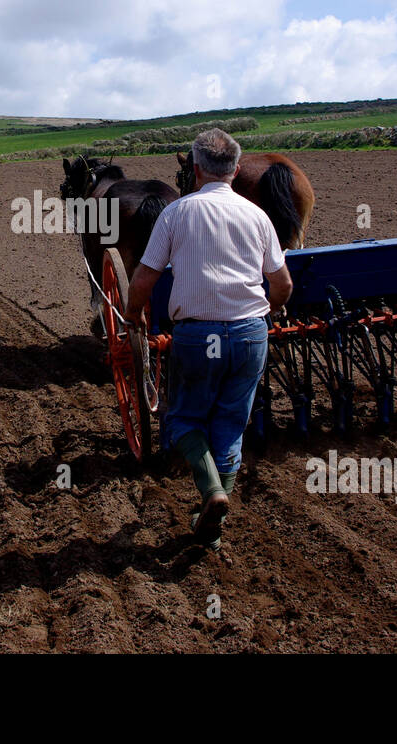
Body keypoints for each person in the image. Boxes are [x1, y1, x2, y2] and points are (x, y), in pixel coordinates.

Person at [123, 128, 292, 549]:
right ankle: (212, 518)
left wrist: (132, 318)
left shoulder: (176, 213)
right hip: (251, 334)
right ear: (235, 169)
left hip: (198, 337)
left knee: (182, 419)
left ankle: (212, 492)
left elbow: (144, 278)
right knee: (231, 423)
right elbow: (283, 283)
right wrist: (267, 312)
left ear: (196, 169)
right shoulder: (258, 217)